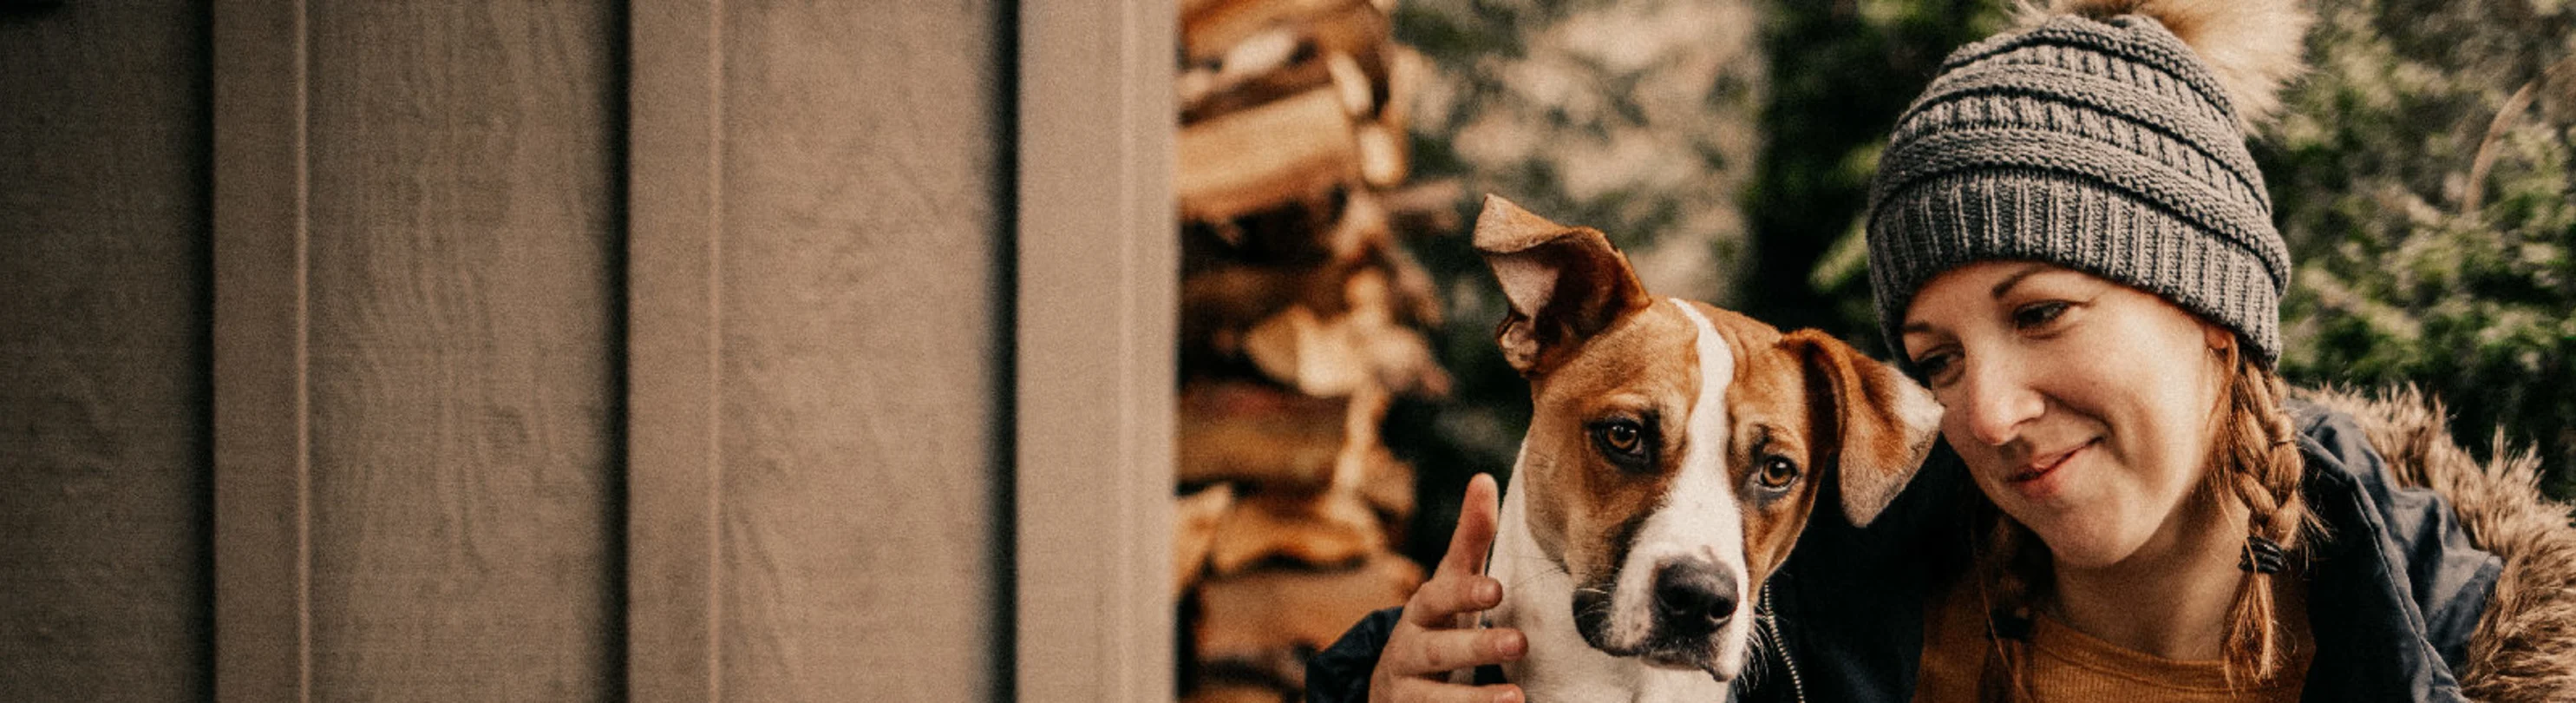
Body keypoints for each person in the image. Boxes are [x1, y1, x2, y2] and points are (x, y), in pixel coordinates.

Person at [1306, 1, 2576, 701]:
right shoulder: (1837, 581)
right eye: (1939, 356)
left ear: (2209, 311)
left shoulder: (2438, 629)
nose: (1991, 410)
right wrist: (1383, 684)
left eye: (2038, 312)